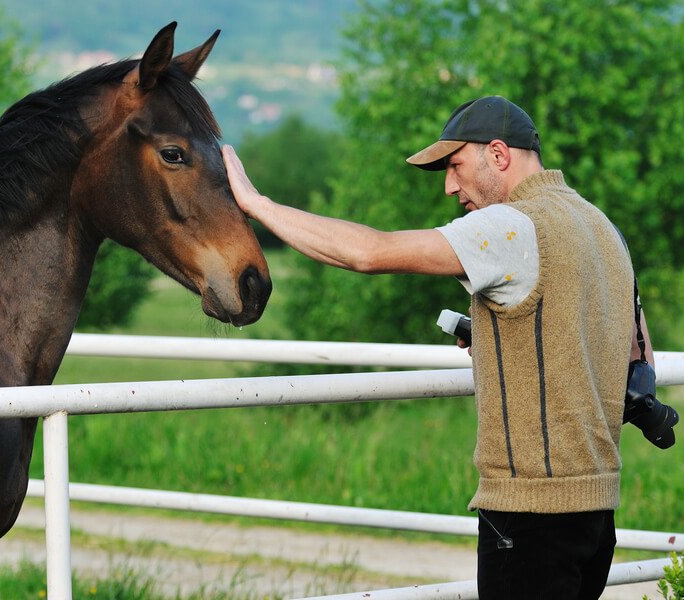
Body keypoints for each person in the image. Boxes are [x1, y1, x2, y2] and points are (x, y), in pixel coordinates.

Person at [223, 96, 652, 599]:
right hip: (596, 513)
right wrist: (501, 346)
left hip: (531, 513)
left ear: (498, 154)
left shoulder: (511, 225)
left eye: (454, 165)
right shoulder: (601, 227)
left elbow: (369, 252)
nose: (450, 186)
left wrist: (258, 206)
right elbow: (628, 348)